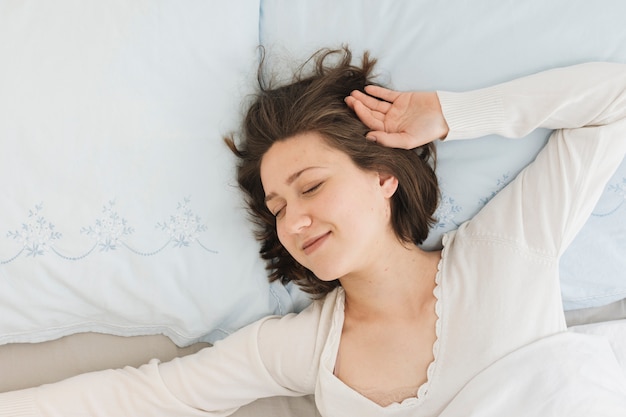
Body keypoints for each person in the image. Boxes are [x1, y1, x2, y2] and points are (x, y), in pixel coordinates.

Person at [1, 47, 626, 416]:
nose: (291, 221)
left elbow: (616, 98)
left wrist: (449, 113)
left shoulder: (504, 252)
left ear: (383, 174)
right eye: (275, 206)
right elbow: (143, 397)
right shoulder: (301, 349)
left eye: (311, 185)